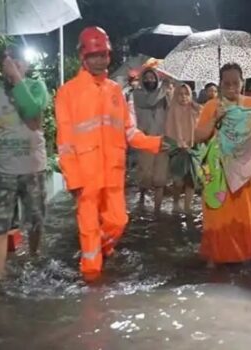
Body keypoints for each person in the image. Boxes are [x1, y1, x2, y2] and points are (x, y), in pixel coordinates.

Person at [55, 26, 174, 282]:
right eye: (94, 55)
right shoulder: (68, 93)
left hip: (112, 174)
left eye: (103, 55)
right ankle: (91, 283)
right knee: (88, 233)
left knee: (118, 222)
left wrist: (155, 143)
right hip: (85, 178)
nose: (99, 60)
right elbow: (64, 142)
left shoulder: (116, 93)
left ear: (109, 56)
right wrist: (72, 178)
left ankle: (102, 254)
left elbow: (129, 132)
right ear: (83, 57)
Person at [0, 45, 50, 293]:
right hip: (1, 169)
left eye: (19, 62)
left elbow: (32, 111)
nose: (14, 65)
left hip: (32, 168)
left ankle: (35, 255)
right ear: (0, 65)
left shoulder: (37, 88)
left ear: (26, 65)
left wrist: (17, 79)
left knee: (36, 219)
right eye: (9, 62)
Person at [193, 63, 251, 267]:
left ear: (243, 83)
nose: (232, 88)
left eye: (236, 83)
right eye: (227, 84)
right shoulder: (212, 106)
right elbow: (197, 137)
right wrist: (216, 119)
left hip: (247, 173)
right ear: (220, 84)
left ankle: (246, 256)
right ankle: (216, 256)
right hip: (218, 173)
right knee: (218, 216)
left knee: (245, 216)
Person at [133, 68, 171, 213]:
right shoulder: (138, 94)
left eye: (153, 78)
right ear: (142, 80)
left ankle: (157, 210)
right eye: (147, 78)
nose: (150, 80)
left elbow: (172, 109)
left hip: (162, 140)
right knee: (145, 176)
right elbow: (151, 101)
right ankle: (141, 201)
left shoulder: (164, 94)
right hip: (145, 140)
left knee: (160, 179)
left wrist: (168, 92)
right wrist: (163, 88)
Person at [165, 83, 201, 214]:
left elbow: (203, 124)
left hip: (193, 148)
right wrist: (179, 144)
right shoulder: (172, 110)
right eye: (180, 94)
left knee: (191, 180)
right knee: (178, 181)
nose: (183, 97)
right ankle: (175, 202)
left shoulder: (194, 109)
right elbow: (169, 132)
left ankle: (187, 207)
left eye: (186, 94)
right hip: (176, 149)